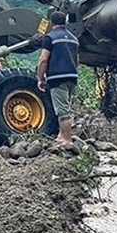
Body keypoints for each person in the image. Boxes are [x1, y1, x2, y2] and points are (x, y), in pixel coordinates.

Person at [37, 10, 78, 144]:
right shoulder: (74, 38)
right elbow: (76, 59)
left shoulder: (50, 38)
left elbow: (43, 59)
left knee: (62, 111)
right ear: (65, 21)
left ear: (50, 22)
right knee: (64, 106)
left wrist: (40, 78)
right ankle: (61, 135)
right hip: (72, 77)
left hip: (57, 78)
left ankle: (67, 139)